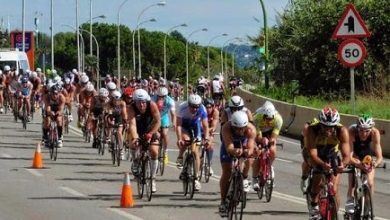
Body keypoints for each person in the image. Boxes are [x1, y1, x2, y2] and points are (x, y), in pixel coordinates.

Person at [307, 106, 350, 219]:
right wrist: (321, 165)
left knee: (334, 189)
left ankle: (334, 213)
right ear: (320, 124)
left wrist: (343, 165)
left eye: (331, 127)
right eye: (325, 127)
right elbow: (312, 154)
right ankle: (314, 205)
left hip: (332, 154)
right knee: (318, 179)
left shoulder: (342, 131)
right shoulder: (312, 130)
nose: (328, 130)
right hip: (318, 154)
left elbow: (346, 155)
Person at [219, 111, 256, 217]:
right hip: (229, 145)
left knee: (248, 160)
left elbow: (250, 147)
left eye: (242, 128)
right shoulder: (226, 127)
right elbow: (229, 147)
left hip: (243, 144)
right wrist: (235, 151)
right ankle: (223, 201)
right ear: (232, 125)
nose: (240, 131)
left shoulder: (251, 129)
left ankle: (242, 179)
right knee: (227, 171)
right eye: (237, 128)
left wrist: (247, 152)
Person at [345, 113, 383, 214]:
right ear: (357, 128)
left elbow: (379, 156)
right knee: (353, 179)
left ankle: (368, 205)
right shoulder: (352, 131)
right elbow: (349, 156)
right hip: (355, 154)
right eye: (361, 130)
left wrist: (375, 163)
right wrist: (357, 164)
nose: (363, 134)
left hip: (367, 155)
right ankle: (350, 198)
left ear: (371, 129)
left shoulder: (375, 133)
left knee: (370, 183)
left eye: (367, 131)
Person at [128, 89, 161, 192]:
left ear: (146, 101)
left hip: (150, 128)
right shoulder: (131, 108)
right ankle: (135, 161)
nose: (141, 105)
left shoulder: (152, 105)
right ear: (135, 102)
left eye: (143, 102)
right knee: (133, 143)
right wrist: (135, 137)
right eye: (138, 102)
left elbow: (158, 122)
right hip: (138, 129)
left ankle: (153, 179)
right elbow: (132, 125)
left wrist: (151, 133)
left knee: (154, 151)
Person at [176, 94, 210, 191]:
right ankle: (180, 156)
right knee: (185, 141)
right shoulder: (182, 107)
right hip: (184, 126)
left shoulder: (202, 109)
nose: (195, 109)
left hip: (195, 126)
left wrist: (206, 138)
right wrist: (179, 139)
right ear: (189, 104)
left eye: (196, 107)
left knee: (196, 152)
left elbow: (205, 125)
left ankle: (196, 178)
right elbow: (178, 125)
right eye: (192, 106)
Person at [252, 100, 283, 191]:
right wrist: (261, 140)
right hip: (259, 130)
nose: (269, 121)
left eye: (271, 119)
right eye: (267, 119)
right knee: (257, 152)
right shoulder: (257, 117)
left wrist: (271, 141)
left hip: (270, 131)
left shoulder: (278, 119)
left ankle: (269, 166)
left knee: (272, 150)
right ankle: (254, 178)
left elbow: (274, 137)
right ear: (263, 116)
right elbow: (258, 137)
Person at [152, 87, 176, 165]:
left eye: (163, 96)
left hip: (164, 117)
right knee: (155, 134)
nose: (161, 98)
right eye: (159, 96)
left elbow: (173, 114)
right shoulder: (153, 99)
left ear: (166, 96)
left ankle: (165, 151)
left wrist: (174, 123)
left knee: (165, 134)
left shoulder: (170, 101)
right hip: (155, 117)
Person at [105, 90, 128, 158]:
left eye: (118, 100)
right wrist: (110, 122)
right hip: (111, 116)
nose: (116, 102)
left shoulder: (122, 103)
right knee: (109, 123)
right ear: (112, 99)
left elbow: (124, 114)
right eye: (114, 100)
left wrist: (126, 121)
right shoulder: (109, 103)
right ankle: (109, 138)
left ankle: (121, 150)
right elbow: (109, 114)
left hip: (119, 117)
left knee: (119, 132)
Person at [300, 118, 319, 193]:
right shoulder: (307, 129)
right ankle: (304, 178)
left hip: (318, 140)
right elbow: (307, 148)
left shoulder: (324, 129)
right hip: (306, 141)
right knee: (308, 160)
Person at [204, 98, 219, 175]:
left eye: (210, 107)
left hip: (209, 130)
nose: (208, 109)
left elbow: (214, 126)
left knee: (210, 145)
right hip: (201, 128)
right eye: (207, 107)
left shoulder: (215, 112)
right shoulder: (201, 111)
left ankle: (209, 165)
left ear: (213, 107)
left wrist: (210, 130)